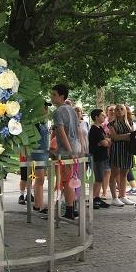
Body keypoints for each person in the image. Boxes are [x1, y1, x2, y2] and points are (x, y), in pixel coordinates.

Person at [50, 84, 81, 220]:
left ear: (62, 96)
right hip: (75, 146)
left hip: (68, 149)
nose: (51, 97)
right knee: (72, 179)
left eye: (54, 95)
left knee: (66, 180)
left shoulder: (58, 112)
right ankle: (71, 207)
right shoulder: (72, 110)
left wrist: (68, 150)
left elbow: (61, 132)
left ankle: (69, 210)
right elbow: (77, 130)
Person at [108, 104, 135, 206]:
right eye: (117, 109)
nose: (119, 111)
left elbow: (133, 135)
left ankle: (123, 196)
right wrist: (128, 136)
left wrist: (128, 136)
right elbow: (114, 137)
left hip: (127, 150)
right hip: (117, 149)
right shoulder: (112, 124)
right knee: (114, 173)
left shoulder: (129, 122)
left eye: (121, 109)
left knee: (124, 173)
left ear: (125, 111)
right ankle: (114, 198)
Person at [89, 109, 111, 209]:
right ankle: (93, 199)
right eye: (102, 115)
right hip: (97, 157)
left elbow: (107, 140)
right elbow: (105, 142)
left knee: (101, 178)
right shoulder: (94, 129)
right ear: (96, 117)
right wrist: (105, 141)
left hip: (103, 156)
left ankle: (97, 198)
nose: (104, 117)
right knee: (98, 179)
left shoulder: (101, 128)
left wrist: (106, 141)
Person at [32, 101, 51, 213]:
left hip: (43, 154)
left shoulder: (43, 122)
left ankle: (38, 204)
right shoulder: (35, 123)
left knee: (40, 180)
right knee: (40, 180)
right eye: (44, 107)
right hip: (37, 154)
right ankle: (38, 205)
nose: (46, 110)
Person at [101, 105, 115, 199]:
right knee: (106, 171)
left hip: (117, 149)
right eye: (111, 110)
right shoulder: (103, 123)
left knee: (117, 172)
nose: (113, 111)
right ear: (107, 112)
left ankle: (120, 194)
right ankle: (104, 192)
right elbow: (101, 136)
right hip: (106, 150)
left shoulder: (119, 122)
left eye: (115, 109)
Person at [125, 105, 136, 196]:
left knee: (127, 168)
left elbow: (133, 134)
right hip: (127, 147)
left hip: (128, 147)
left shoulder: (129, 122)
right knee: (126, 168)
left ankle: (134, 188)